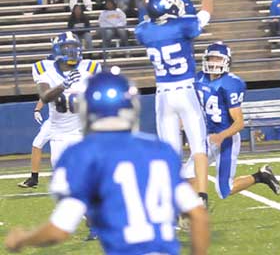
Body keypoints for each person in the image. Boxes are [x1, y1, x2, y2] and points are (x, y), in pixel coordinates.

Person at [5, 71, 209, 255]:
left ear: (87, 110)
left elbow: (59, 230)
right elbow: (198, 215)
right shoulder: (161, 150)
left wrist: (23, 239)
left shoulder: (82, 154)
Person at [135, 0, 213, 207]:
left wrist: (173, 0)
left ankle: (173, 202)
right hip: (186, 91)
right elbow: (207, 11)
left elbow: (151, 19)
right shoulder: (182, 26)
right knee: (198, 145)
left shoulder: (144, 31)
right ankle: (200, 196)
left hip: (163, 95)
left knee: (170, 152)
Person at [183, 42, 280, 199]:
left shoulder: (231, 84)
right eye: (211, 58)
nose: (213, 63)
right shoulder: (198, 79)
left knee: (224, 190)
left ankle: (261, 176)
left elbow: (239, 123)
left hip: (226, 138)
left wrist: (221, 136)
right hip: (207, 136)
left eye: (217, 59)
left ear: (226, 61)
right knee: (186, 175)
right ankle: (194, 212)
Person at [30, 31, 101, 168]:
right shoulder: (45, 69)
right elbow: (45, 96)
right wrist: (63, 85)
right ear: (57, 49)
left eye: (74, 47)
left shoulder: (90, 68)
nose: (72, 51)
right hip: (59, 135)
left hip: (83, 132)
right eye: (66, 47)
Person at [18, 99, 51, 188]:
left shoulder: (80, 86)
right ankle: (34, 178)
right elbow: (45, 95)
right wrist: (37, 110)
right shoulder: (55, 85)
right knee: (37, 143)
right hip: (54, 122)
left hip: (73, 124)